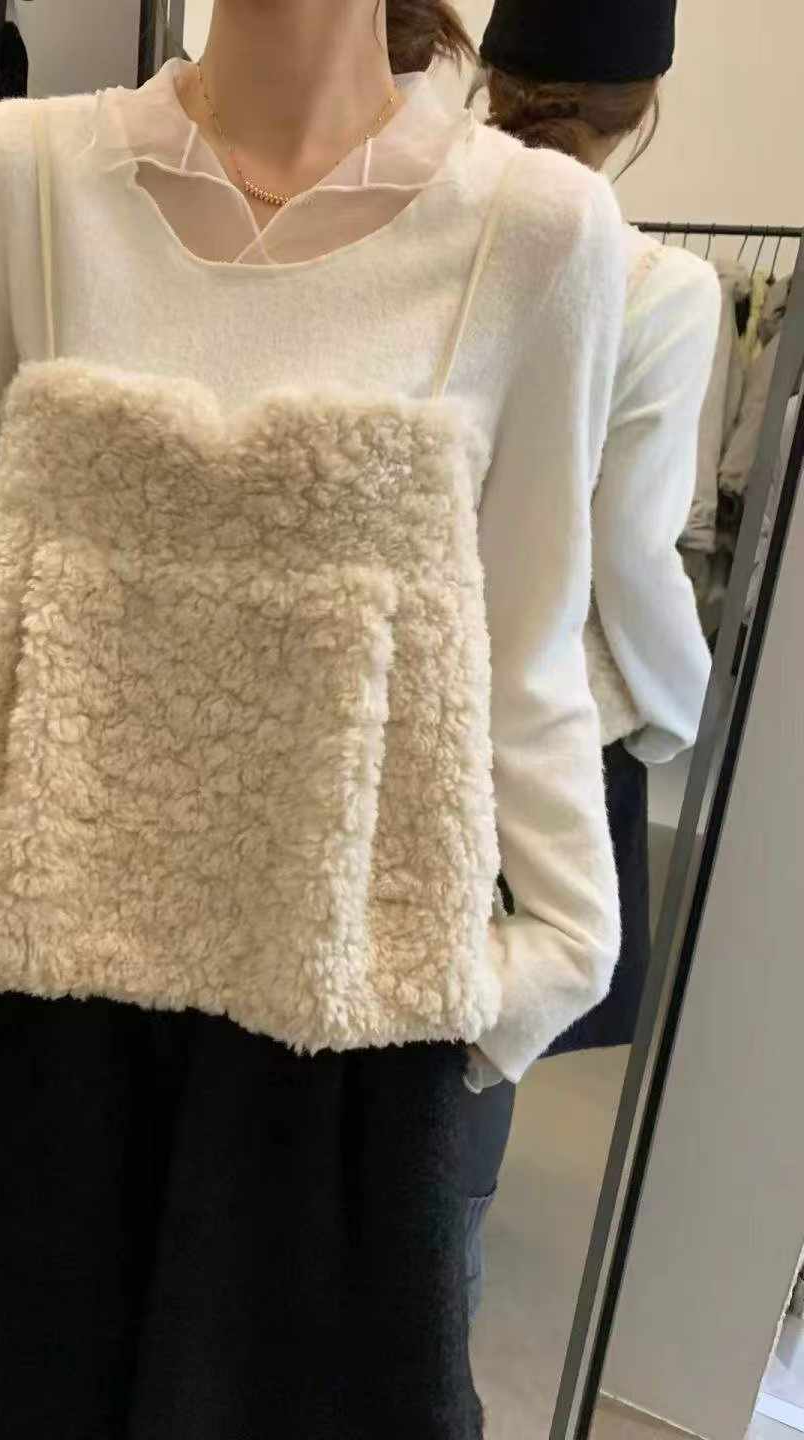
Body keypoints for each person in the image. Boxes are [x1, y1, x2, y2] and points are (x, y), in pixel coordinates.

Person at [0, 2, 630, 1434]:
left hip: (345, 1041)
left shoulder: (534, 229)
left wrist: (542, 966)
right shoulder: (13, 177)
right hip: (39, 1034)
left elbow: (529, 658)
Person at [460, 0, 721, 1316]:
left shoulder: (401, 224)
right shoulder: (659, 286)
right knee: (480, 1044)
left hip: (377, 688)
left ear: (491, 70)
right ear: (645, 106)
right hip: (542, 722)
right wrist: (682, 709)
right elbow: (631, 546)